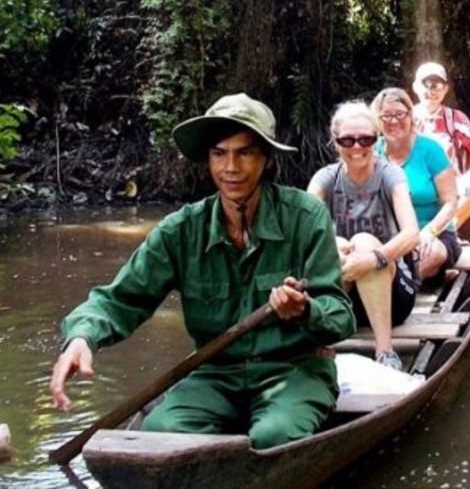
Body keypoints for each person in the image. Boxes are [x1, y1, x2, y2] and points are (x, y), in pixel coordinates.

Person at [48, 93, 355, 449]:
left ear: (267, 159)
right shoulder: (180, 231)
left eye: (245, 153)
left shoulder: (306, 217)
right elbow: (119, 299)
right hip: (215, 374)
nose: (231, 167)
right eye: (219, 153)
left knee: (273, 437)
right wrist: (81, 338)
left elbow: (340, 317)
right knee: (160, 433)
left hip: (295, 371)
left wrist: (304, 310)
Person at [307, 102, 420, 371]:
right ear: (336, 142)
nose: (357, 147)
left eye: (365, 139)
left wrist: (373, 258)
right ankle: (319, 345)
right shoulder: (326, 178)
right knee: (338, 244)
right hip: (343, 296)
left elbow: (411, 234)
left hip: (393, 296)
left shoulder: (390, 174)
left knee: (364, 242)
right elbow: (303, 231)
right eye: (348, 140)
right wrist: (333, 252)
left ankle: (385, 352)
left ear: (376, 139)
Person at [371, 87, 459, 281]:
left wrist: (429, 232)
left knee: (431, 252)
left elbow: (451, 202)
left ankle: (399, 286)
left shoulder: (430, 149)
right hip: (387, 234)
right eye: (386, 116)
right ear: (377, 120)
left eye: (400, 114)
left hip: (430, 233)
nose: (394, 121)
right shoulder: (371, 151)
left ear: (410, 115)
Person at [411, 61, 470, 228]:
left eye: (437, 85)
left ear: (446, 89)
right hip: (415, 185)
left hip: (450, 185)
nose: (431, 91)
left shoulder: (455, 118)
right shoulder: (405, 117)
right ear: (415, 87)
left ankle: (450, 227)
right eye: (426, 85)